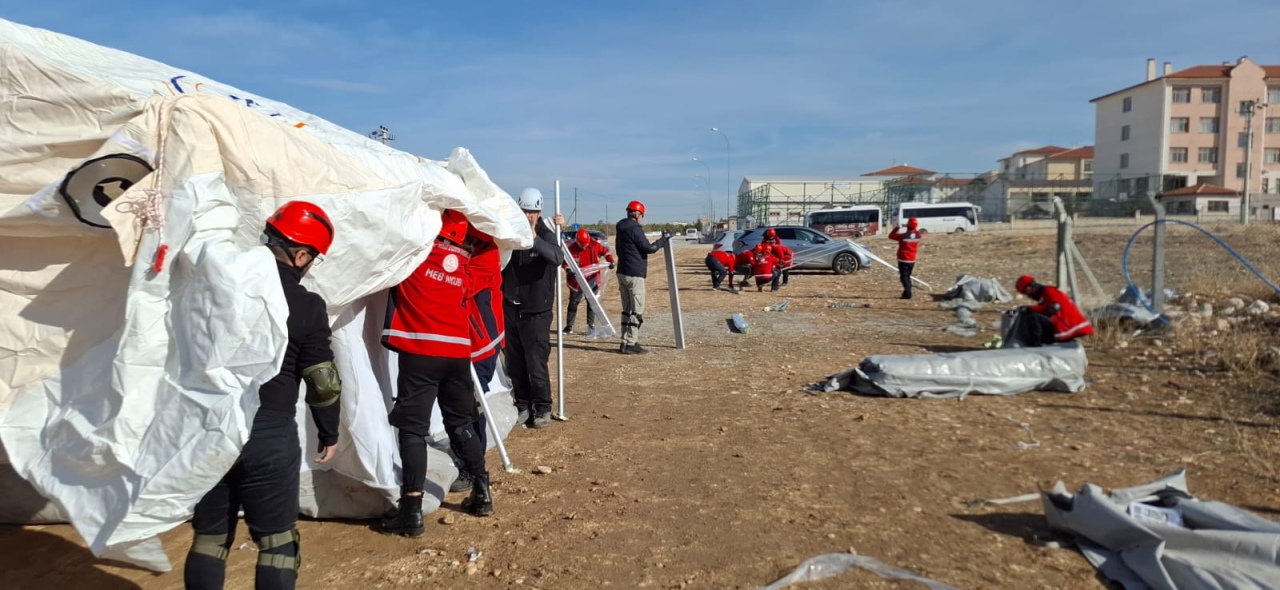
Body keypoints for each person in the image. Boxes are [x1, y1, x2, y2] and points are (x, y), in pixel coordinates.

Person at [185, 201, 341, 590]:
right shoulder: (306, 305)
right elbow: (321, 380)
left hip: (211, 429)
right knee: (277, 544)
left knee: (208, 538)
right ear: (301, 254)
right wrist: (330, 431)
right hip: (268, 434)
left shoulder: (218, 285)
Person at [380, 209, 493, 537]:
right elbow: (490, 247)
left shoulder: (414, 256)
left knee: (412, 431)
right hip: (457, 352)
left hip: (420, 351)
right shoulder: (466, 269)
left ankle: (412, 511)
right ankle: (482, 491)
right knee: (460, 423)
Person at [502, 188, 565, 428]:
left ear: (539, 212)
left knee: (536, 362)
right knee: (514, 363)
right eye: (524, 211)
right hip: (511, 307)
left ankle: (542, 407)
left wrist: (534, 239)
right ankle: (522, 404)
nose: (528, 216)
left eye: (532, 212)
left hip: (537, 311)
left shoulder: (547, 235)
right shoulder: (510, 234)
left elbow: (557, 257)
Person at [449, 226, 503, 494]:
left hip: (480, 343)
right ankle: (466, 455)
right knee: (457, 403)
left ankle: (473, 466)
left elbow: (461, 286)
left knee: (471, 403)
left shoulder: (486, 251)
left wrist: (444, 262)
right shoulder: (456, 246)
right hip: (458, 341)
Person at [614, 200, 670, 355]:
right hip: (634, 273)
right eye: (642, 216)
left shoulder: (621, 227)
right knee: (636, 311)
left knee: (626, 309)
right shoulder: (635, 229)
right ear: (637, 215)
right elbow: (649, 248)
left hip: (622, 272)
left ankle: (624, 342)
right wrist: (663, 240)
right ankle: (631, 343)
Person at [1007, 275, 1094, 346]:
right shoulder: (1043, 296)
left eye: (1026, 293)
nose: (1028, 296)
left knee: (1032, 317)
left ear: (1029, 288)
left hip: (1068, 328)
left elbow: (1053, 309)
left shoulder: (1049, 291)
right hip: (1063, 327)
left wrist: (1030, 308)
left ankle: (1035, 347)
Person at [563, 228, 615, 334]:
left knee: (592, 302)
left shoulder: (594, 244)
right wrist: (569, 271)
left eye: (585, 244)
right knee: (573, 303)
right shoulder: (571, 249)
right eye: (582, 245)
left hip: (592, 279)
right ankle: (569, 326)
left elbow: (605, 252)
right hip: (577, 281)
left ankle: (591, 325)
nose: (584, 246)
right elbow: (565, 262)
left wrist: (610, 260)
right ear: (577, 242)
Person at [888, 218, 922, 299]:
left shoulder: (903, 236)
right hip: (912, 260)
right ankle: (906, 292)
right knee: (907, 276)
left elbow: (891, 236)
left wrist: (897, 228)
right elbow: (916, 232)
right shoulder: (918, 235)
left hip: (903, 259)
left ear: (908, 225)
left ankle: (908, 293)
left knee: (904, 277)